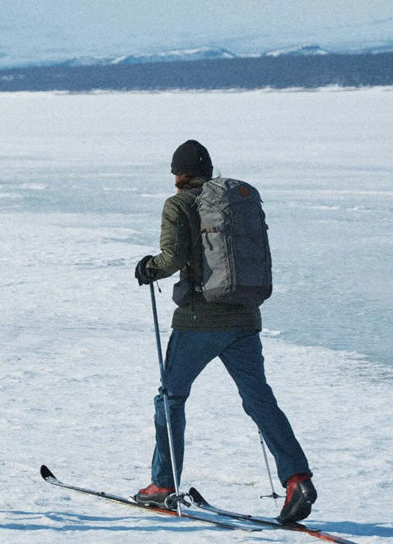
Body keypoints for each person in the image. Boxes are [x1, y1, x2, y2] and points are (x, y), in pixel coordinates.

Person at [133, 139, 316, 523]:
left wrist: (149, 267)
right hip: (245, 318)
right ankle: (296, 478)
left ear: (178, 174)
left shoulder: (180, 204)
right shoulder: (234, 203)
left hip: (200, 320)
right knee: (259, 399)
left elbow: (173, 258)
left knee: (171, 397)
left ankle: (163, 484)